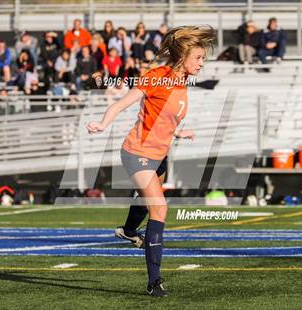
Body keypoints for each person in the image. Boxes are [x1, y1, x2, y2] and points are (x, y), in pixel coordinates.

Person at [86, 25, 214, 297]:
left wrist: (178, 132)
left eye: (203, 58)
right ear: (183, 58)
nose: (202, 64)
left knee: (147, 202)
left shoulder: (180, 82)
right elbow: (122, 104)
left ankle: (129, 230)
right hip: (137, 153)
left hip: (159, 155)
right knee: (159, 209)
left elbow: (164, 117)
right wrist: (102, 123)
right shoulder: (158, 77)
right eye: (199, 58)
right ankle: (154, 283)